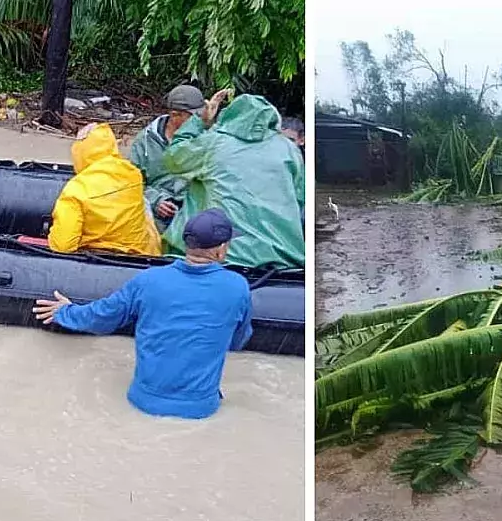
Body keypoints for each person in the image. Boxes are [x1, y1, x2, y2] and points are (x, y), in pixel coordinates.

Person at [32, 208, 252, 419]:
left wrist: (66, 312)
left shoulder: (148, 281)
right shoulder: (238, 287)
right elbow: (237, 341)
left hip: (144, 404)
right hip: (201, 409)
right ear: (220, 249)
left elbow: (103, 317)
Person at [162, 94, 306, 269]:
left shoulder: (213, 143)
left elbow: (173, 159)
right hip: (282, 258)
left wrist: (199, 122)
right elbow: (301, 200)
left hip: (220, 254)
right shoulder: (289, 149)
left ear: (229, 117)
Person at [47, 122, 162, 256]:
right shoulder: (133, 174)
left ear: (80, 151)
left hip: (98, 258)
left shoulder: (77, 189)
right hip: (138, 257)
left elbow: (63, 245)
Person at [127, 85, 233, 227]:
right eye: (193, 116)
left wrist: (207, 124)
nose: (197, 120)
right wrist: (156, 201)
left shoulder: (203, 137)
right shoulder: (145, 142)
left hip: (193, 209)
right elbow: (131, 183)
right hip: (157, 210)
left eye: (199, 115)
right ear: (175, 115)